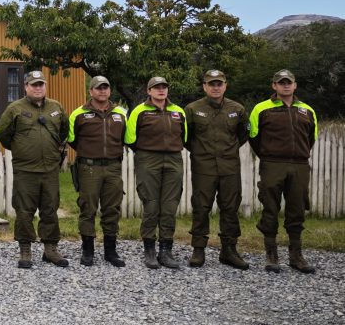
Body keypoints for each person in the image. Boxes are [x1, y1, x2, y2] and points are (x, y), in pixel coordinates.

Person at [0, 70, 69, 268]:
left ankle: (50, 249)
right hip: (25, 169)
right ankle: (25, 248)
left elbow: (64, 131)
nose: (38, 88)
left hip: (50, 169)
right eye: (34, 84)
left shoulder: (57, 107)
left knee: (50, 209)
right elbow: (4, 135)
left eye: (41, 84)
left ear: (45, 86)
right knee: (24, 210)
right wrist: (23, 149)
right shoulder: (14, 109)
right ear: (26, 87)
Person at [249, 69, 318, 274]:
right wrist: (269, 155)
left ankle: (296, 256)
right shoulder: (261, 109)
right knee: (270, 207)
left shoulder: (307, 110)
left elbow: (311, 137)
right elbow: (254, 136)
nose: (285, 85)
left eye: (289, 82)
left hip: (299, 165)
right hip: (272, 164)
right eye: (281, 82)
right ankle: (271, 255)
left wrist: (299, 155)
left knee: (296, 209)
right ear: (274, 86)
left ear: (295, 85)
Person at [184, 70, 249, 270]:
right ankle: (198, 249)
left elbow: (243, 135)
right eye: (211, 84)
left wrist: (226, 153)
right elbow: (186, 137)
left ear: (225, 85)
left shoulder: (237, 109)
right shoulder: (193, 109)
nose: (215, 87)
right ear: (204, 86)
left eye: (219, 84)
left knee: (230, 208)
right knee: (201, 207)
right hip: (204, 168)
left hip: (229, 167)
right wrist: (201, 153)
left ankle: (229, 250)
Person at [124, 76, 187, 269]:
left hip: (174, 160)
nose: (161, 90)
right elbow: (130, 138)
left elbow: (184, 137)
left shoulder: (178, 111)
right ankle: (149, 250)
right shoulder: (140, 112)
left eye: (164, 87)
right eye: (156, 88)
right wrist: (147, 152)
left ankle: (166, 251)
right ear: (149, 91)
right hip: (148, 159)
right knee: (151, 205)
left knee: (169, 206)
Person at [67, 76, 127, 267]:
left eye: (105, 88)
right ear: (91, 91)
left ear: (110, 91)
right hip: (89, 167)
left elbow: (127, 137)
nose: (102, 91)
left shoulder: (121, 113)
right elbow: (71, 139)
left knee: (112, 208)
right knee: (88, 208)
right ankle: (88, 250)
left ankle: (111, 251)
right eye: (98, 88)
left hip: (113, 167)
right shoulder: (79, 114)